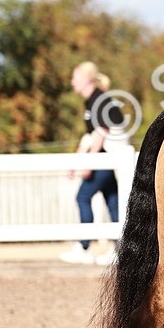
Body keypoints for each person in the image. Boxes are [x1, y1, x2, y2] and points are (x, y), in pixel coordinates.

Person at [60, 62, 125, 265]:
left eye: (75, 77)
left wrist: (88, 163)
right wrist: (77, 161)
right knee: (113, 201)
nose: (72, 82)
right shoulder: (91, 101)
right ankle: (119, 250)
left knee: (83, 196)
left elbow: (102, 133)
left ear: (87, 79)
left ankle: (84, 246)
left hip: (105, 158)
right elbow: (89, 136)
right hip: (104, 158)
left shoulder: (100, 99)